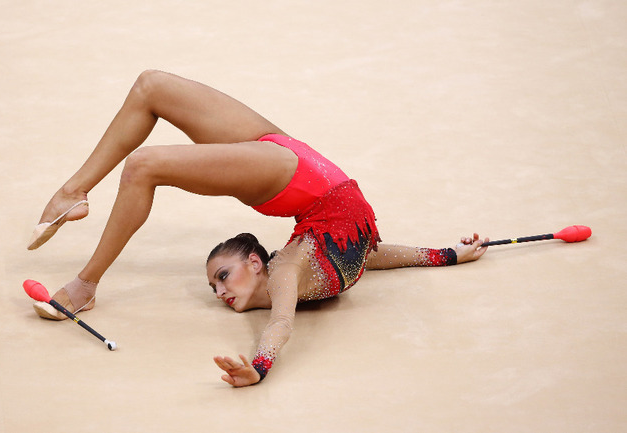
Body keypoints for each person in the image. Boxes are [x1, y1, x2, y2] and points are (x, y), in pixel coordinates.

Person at [27, 70, 489, 387]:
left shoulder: (294, 263)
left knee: (147, 140)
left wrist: (257, 367)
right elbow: (367, 256)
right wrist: (446, 254)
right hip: (297, 169)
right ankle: (79, 240)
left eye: (218, 279)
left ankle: (78, 237)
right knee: (151, 93)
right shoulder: (299, 266)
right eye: (220, 280)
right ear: (255, 262)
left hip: (299, 170)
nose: (219, 292)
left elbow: (298, 310)